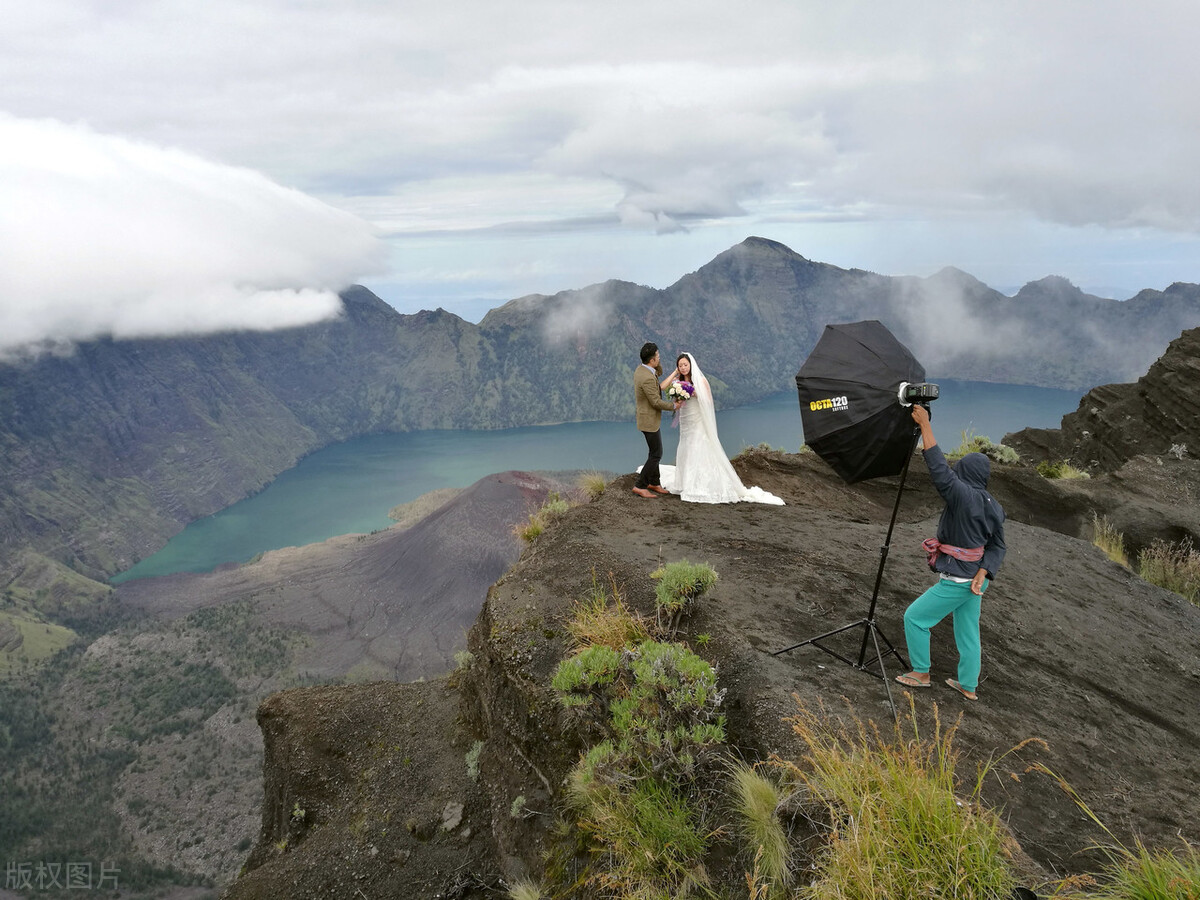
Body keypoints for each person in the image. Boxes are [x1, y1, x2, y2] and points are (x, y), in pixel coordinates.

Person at [896, 404, 1006, 701]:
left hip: (958, 579)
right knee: (968, 634)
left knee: (915, 618)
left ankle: (920, 672)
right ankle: (968, 685)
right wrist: (984, 572)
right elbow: (998, 546)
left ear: (966, 473)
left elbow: (940, 471)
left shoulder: (964, 497)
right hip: (975, 580)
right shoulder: (992, 505)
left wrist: (925, 426)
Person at [655, 352, 784, 505]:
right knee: (686, 446)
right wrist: (676, 378)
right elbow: (661, 387)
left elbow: (708, 401)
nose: (683, 368)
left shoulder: (700, 380)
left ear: (691, 365)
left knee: (697, 446)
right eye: (680, 365)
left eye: (685, 365)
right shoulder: (677, 381)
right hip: (685, 420)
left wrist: (692, 393)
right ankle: (685, 481)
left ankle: (698, 483)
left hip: (697, 419)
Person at [632, 342, 680, 499]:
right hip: (649, 421)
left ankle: (654, 482)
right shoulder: (646, 377)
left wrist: (656, 367)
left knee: (654, 451)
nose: (659, 358)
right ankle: (640, 485)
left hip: (647, 418)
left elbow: (657, 376)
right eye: (657, 356)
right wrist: (674, 405)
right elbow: (656, 402)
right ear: (651, 360)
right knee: (656, 454)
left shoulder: (642, 370)